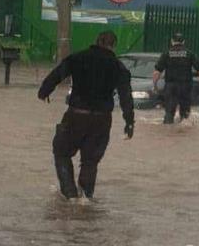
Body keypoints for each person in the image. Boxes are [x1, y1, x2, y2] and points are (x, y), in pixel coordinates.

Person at [37, 31, 134, 200]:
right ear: (113, 45)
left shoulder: (78, 57)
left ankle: (70, 194)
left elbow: (56, 75)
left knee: (61, 152)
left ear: (97, 41)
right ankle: (85, 199)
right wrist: (129, 122)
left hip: (76, 116)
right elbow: (126, 97)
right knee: (90, 161)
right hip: (102, 120)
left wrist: (44, 92)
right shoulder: (119, 67)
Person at [153, 33, 199, 124]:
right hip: (185, 86)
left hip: (171, 86)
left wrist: (154, 85)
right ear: (183, 42)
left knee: (169, 111)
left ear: (172, 41)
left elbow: (157, 72)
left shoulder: (166, 54)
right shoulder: (189, 54)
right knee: (185, 112)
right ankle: (183, 130)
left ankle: (168, 131)